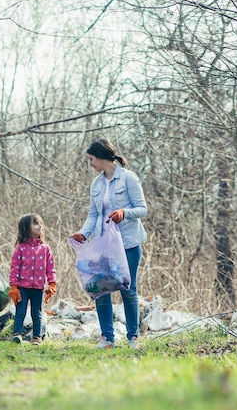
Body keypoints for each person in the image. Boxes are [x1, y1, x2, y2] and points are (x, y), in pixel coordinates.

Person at [71, 138, 147, 349]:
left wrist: (124, 213)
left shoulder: (128, 178)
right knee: (100, 289)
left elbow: (142, 209)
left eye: (91, 159)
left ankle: (133, 337)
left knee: (128, 290)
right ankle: (107, 338)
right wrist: (83, 233)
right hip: (102, 245)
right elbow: (93, 214)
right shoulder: (96, 184)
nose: (90, 164)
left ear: (102, 156)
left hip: (127, 244)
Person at [8, 213, 57, 346]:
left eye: (40, 223)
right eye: (35, 223)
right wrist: (13, 286)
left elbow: (51, 268)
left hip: (38, 288)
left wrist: (52, 283)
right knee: (20, 311)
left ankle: (36, 337)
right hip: (22, 288)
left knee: (37, 313)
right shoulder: (20, 249)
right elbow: (14, 269)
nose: (39, 226)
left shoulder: (46, 249)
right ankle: (17, 334)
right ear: (26, 228)